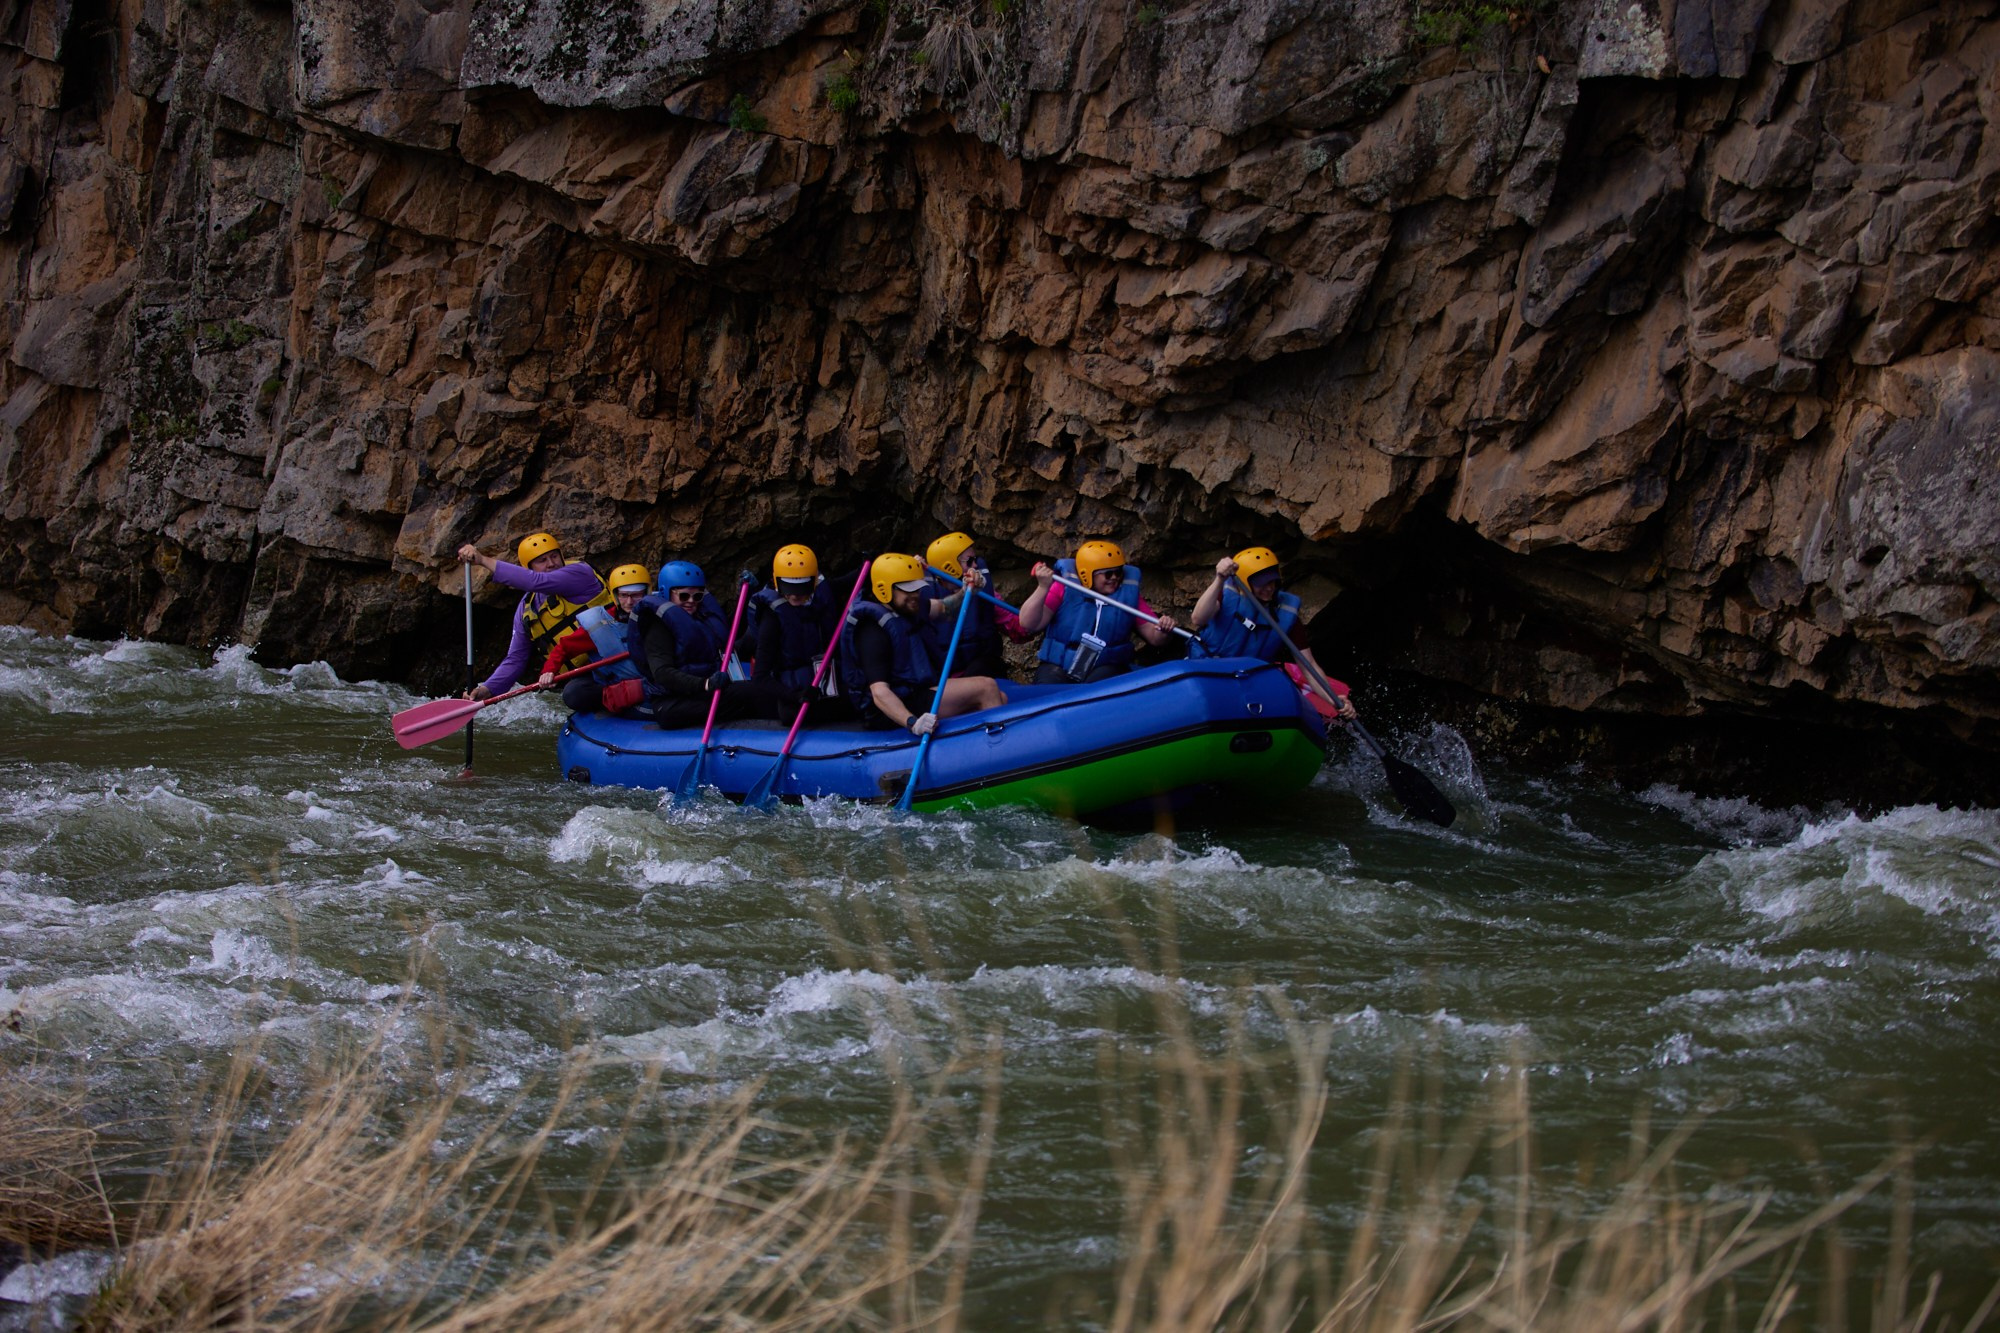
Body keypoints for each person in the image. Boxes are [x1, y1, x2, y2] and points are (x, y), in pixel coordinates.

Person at [838, 553, 1005, 734]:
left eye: (917, 589)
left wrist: (967, 591)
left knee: (1000, 697)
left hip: (915, 692)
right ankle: (999, 743)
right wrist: (912, 722)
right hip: (892, 708)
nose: (915, 595)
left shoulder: (905, 606)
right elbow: (879, 693)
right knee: (986, 688)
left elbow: (944, 609)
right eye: (908, 590)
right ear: (883, 589)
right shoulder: (871, 630)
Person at [1190, 547, 1354, 717]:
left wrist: (1334, 700)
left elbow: (1309, 665)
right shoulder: (1225, 595)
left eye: (1272, 582)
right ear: (1245, 581)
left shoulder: (1286, 613)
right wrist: (1219, 579)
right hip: (1208, 672)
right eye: (1261, 583)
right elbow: (1198, 618)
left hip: (1247, 682)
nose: (1269, 588)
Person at [604, 561, 763, 727]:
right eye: (684, 596)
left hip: (705, 690)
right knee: (747, 697)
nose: (691, 601)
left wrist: (746, 597)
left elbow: (729, 635)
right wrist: (705, 684)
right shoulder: (657, 627)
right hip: (673, 700)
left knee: (756, 691)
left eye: (697, 596)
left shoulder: (700, 615)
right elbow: (663, 673)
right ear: (667, 592)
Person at [459, 532, 611, 700]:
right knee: (573, 694)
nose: (551, 564)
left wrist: (482, 560)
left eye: (554, 556)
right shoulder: (526, 609)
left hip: (614, 653)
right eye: (542, 560)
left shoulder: (579, 573)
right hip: (585, 673)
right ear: (529, 568)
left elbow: (535, 581)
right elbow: (516, 658)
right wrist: (486, 690)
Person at [1016, 540, 1178, 685]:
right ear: (1087, 573)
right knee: (1049, 682)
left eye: (1118, 572)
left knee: (1098, 683)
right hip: (1059, 665)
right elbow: (1028, 623)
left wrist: (1164, 629)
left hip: (1106, 666)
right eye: (1108, 573)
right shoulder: (1063, 587)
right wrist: (1043, 587)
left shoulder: (1128, 595)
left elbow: (1155, 637)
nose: (1114, 578)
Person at [746, 543, 850, 722]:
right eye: (789, 588)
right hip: (790, 688)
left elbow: (851, 580)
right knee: (792, 714)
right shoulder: (772, 618)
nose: (795, 595)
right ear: (777, 582)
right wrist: (796, 696)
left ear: (813, 582)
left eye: (802, 588)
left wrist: (871, 562)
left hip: (823, 677)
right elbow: (760, 677)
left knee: (856, 698)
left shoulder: (822, 593)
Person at [534, 563, 650, 714]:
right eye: (623, 595)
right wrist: (549, 671)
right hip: (616, 683)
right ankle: (618, 697)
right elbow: (564, 647)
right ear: (615, 595)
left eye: (636, 595)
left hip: (656, 679)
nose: (629, 602)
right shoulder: (600, 624)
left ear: (646, 593)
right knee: (574, 693)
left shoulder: (661, 613)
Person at [923, 532, 1026, 680]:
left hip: (982, 669)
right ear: (950, 567)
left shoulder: (984, 592)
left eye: (975, 559)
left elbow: (1019, 629)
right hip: (944, 677)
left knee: (980, 669)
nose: (976, 566)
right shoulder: (922, 598)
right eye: (970, 561)